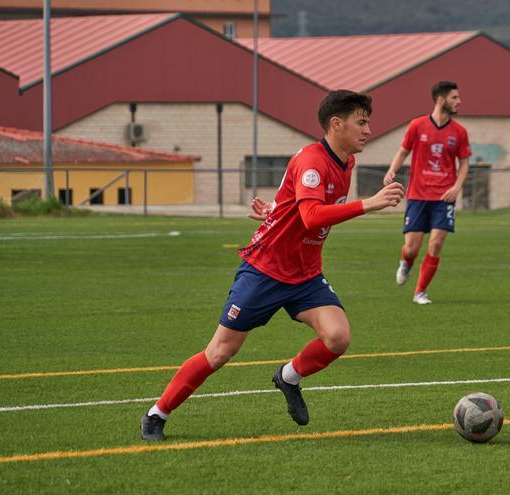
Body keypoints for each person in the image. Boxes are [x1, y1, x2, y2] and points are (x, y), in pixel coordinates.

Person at [140, 90, 405, 441]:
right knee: (220, 352)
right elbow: (311, 216)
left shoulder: (345, 162)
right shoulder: (313, 162)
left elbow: (294, 202)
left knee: (338, 337)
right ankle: (157, 414)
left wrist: (275, 212)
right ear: (336, 124)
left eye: (367, 121)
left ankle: (289, 377)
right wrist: (368, 204)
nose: (368, 129)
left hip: (305, 273)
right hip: (265, 270)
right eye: (362, 121)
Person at [383, 81, 471, 305]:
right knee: (412, 247)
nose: (459, 102)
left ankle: (420, 292)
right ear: (441, 100)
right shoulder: (417, 126)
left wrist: (456, 187)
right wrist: (392, 171)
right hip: (418, 195)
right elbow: (403, 152)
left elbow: (464, 163)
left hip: (444, 197)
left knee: (435, 243)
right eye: (454, 98)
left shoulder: (459, 132)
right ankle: (406, 263)